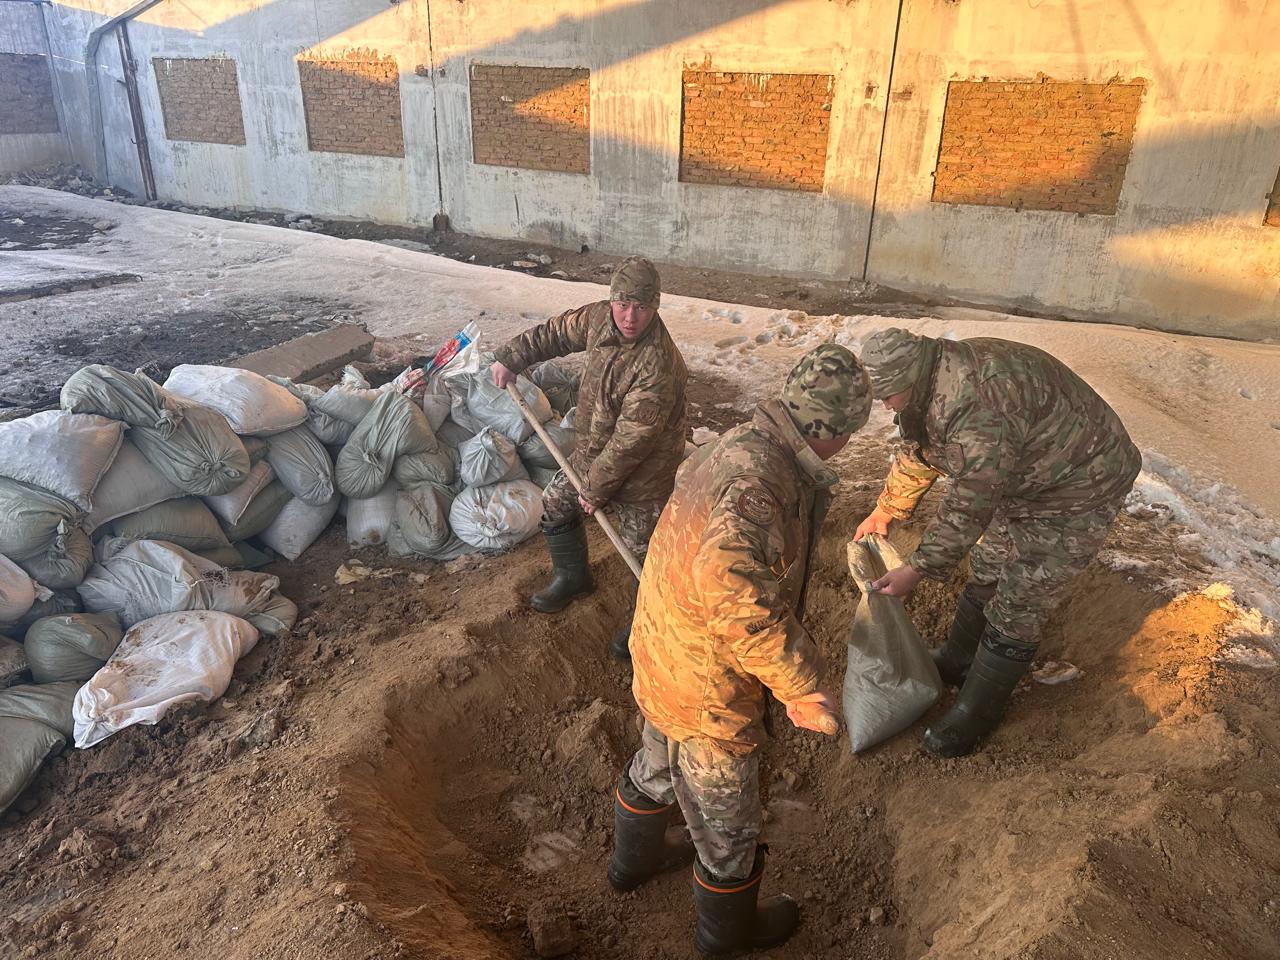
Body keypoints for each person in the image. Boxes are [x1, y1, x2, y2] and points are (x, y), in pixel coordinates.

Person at [608, 344, 872, 956]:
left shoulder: (736, 444)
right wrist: (801, 685)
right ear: (830, 429)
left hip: (666, 646)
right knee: (729, 826)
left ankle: (630, 866)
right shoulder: (762, 479)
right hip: (709, 683)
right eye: (851, 433)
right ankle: (725, 937)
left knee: (656, 759)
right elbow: (729, 581)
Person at [853, 327, 1141, 758]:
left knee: (1023, 594)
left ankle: (978, 710)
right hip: (1025, 472)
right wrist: (887, 509)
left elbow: (970, 503)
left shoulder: (977, 404)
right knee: (989, 565)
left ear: (909, 378)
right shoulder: (933, 378)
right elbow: (924, 448)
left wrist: (917, 569)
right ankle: (959, 659)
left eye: (887, 396)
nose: (885, 406)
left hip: (1079, 481)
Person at [490, 257, 687, 660]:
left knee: (642, 551)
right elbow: (555, 334)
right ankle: (573, 577)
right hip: (594, 452)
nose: (630, 317)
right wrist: (511, 358)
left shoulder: (659, 366)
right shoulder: (599, 319)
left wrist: (595, 489)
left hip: (646, 472)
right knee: (554, 503)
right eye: (623, 305)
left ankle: (647, 623)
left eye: (642, 307)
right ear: (612, 300)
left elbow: (632, 442)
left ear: (655, 306)